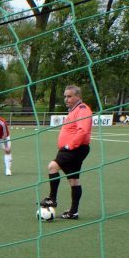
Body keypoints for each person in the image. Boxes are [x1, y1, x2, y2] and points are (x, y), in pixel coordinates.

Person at [40, 85, 93, 220]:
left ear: (78, 97)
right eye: (65, 96)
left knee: (52, 166)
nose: (66, 99)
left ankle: (52, 198)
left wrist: (69, 146)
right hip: (75, 149)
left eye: (69, 96)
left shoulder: (82, 109)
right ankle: (73, 212)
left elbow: (83, 131)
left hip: (75, 149)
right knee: (74, 180)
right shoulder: (74, 110)